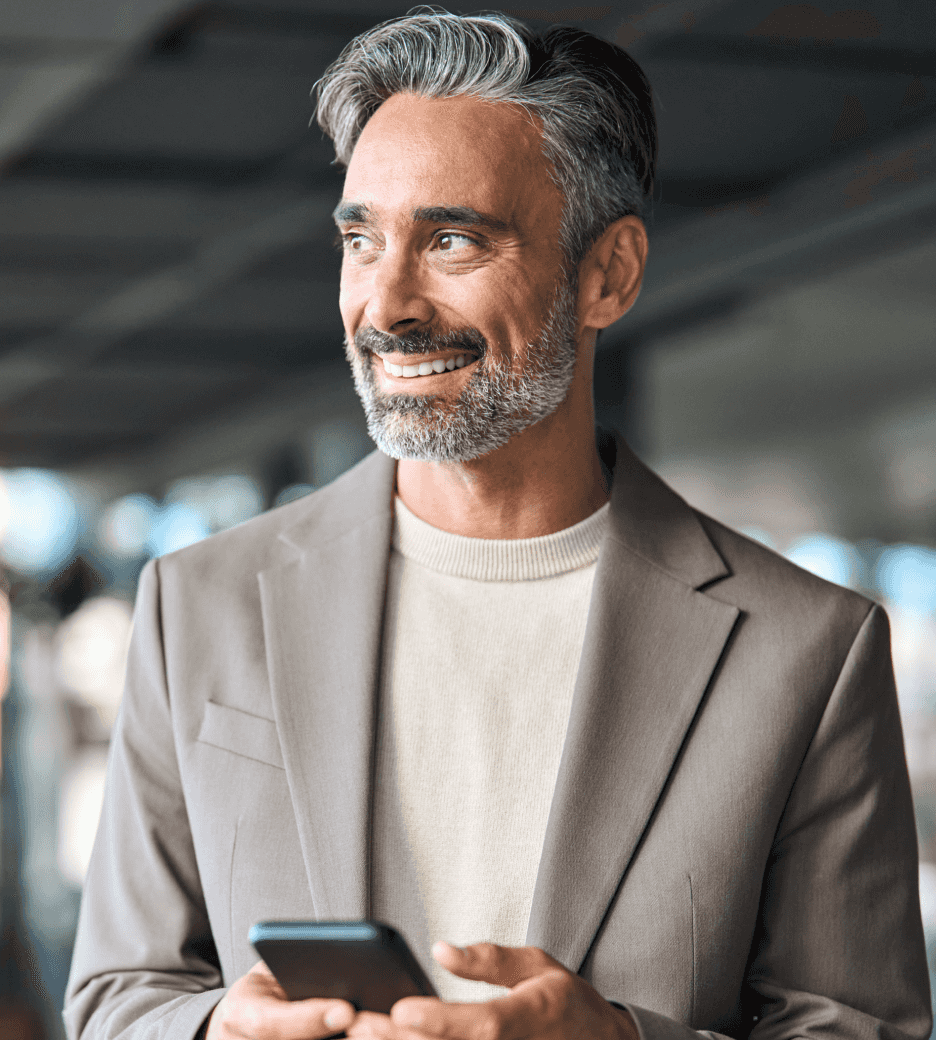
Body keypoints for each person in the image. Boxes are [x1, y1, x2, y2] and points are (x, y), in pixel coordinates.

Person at [64, 12, 930, 1040]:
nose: (386, 303)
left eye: (451, 239)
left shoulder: (808, 650)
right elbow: (118, 997)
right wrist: (216, 1030)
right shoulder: (196, 605)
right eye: (361, 239)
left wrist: (619, 1038)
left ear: (608, 274)